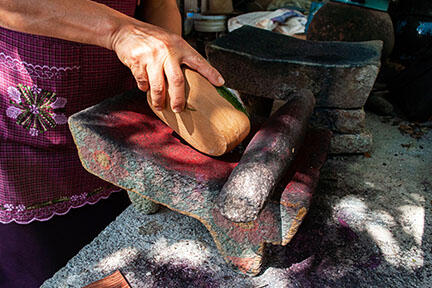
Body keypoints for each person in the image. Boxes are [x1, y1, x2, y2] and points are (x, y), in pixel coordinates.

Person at [0, 0, 225, 286]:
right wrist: (119, 31)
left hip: (120, 123)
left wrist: (165, 58)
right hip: (31, 138)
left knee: (122, 265)